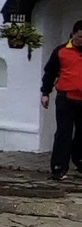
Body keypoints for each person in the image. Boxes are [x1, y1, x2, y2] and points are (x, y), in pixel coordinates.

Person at [40, 17, 82, 180]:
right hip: (66, 98)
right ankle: (59, 167)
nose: (81, 40)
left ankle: (79, 160)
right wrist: (45, 93)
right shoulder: (61, 51)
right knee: (64, 132)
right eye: (80, 36)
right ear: (73, 34)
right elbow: (50, 73)